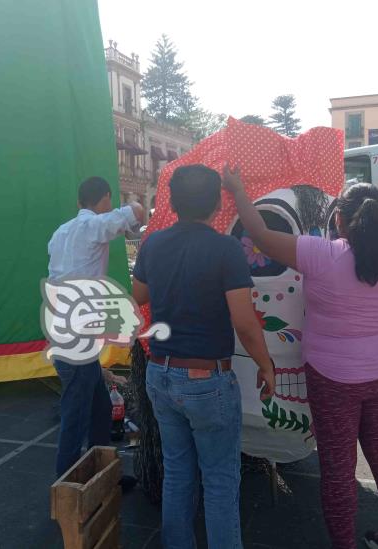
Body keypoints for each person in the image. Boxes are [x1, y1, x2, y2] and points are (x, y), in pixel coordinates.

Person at [224, 166, 378, 549]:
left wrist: (239, 191)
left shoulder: (320, 254)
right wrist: (377, 218)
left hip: (335, 377)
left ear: (339, 219)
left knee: (339, 469)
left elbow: (259, 234)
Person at [131, 164, 276, 549]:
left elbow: (138, 297)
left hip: (160, 375)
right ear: (217, 203)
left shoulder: (154, 244)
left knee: (178, 472)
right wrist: (266, 364)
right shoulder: (225, 249)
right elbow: (244, 322)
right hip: (206, 381)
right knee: (220, 479)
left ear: (173, 203)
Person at [48, 176, 144, 477]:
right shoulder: (92, 227)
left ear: (79, 202)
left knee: (101, 409)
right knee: (75, 417)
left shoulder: (60, 233)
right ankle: (67, 486)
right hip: (75, 338)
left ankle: (104, 476)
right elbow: (136, 212)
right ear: (104, 199)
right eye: (108, 200)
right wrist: (133, 209)